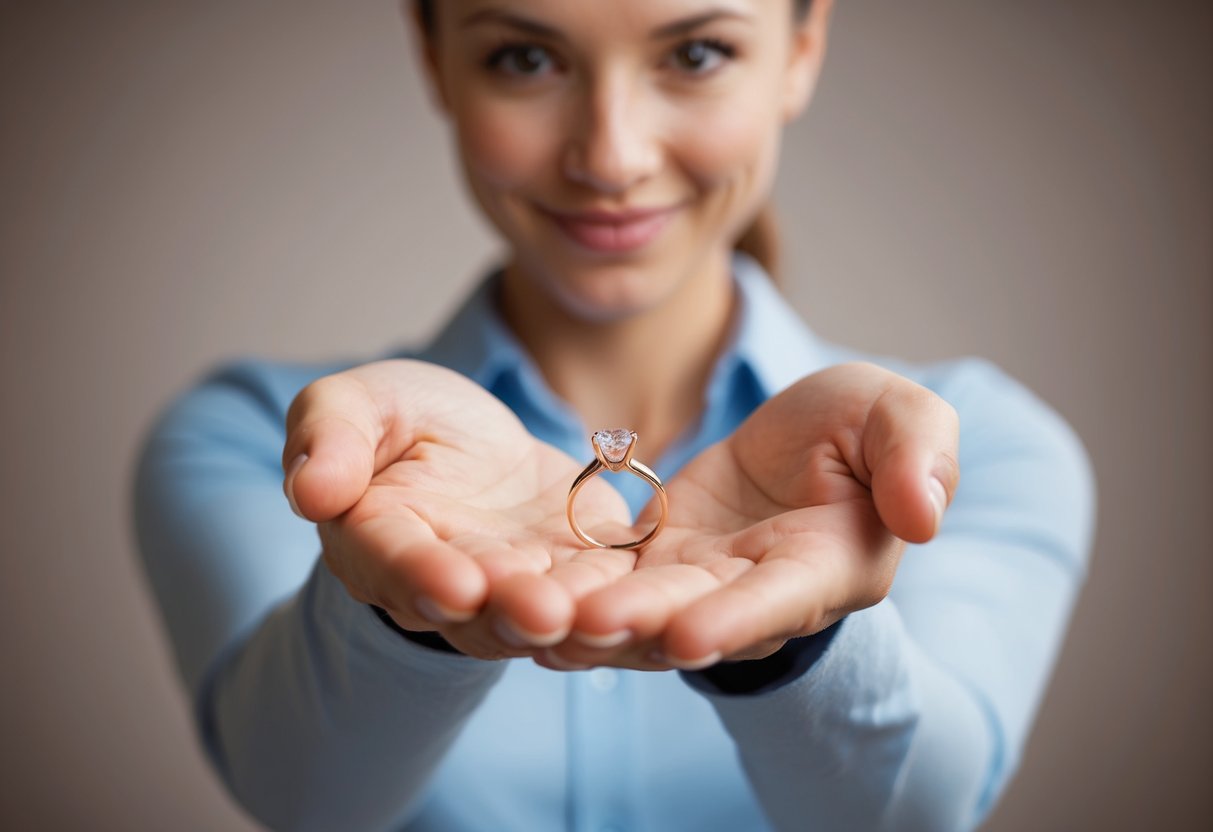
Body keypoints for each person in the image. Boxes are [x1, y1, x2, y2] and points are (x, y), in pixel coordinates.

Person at [131, 1, 1095, 830]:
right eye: (525, 57)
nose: (610, 156)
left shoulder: (974, 443)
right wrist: (402, 610)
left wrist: (801, 642)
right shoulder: (259, 437)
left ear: (800, 53)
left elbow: (918, 812)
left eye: (695, 53)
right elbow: (303, 798)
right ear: (435, 63)